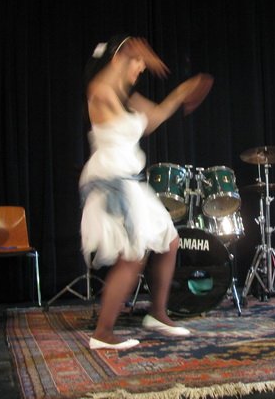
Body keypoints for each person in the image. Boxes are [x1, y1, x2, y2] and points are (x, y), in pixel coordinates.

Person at [79, 35, 213, 350]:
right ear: (117, 60)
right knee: (133, 254)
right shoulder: (100, 91)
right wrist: (131, 50)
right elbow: (105, 77)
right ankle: (103, 333)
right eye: (136, 62)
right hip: (110, 181)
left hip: (130, 182)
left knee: (169, 240)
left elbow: (155, 118)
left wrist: (183, 90)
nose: (141, 68)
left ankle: (157, 313)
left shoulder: (129, 100)